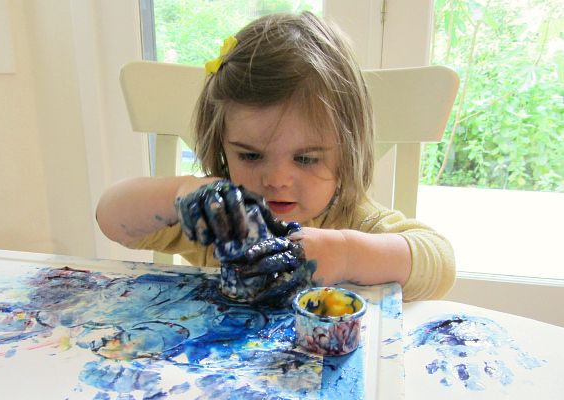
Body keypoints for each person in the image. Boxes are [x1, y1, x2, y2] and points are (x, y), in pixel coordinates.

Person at [96, 12, 455, 302]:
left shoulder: (351, 217)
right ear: (222, 145)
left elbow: (440, 263)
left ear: (348, 150)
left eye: (306, 159)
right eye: (251, 155)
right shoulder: (223, 219)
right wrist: (182, 193)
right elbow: (110, 218)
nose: (277, 180)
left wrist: (346, 253)